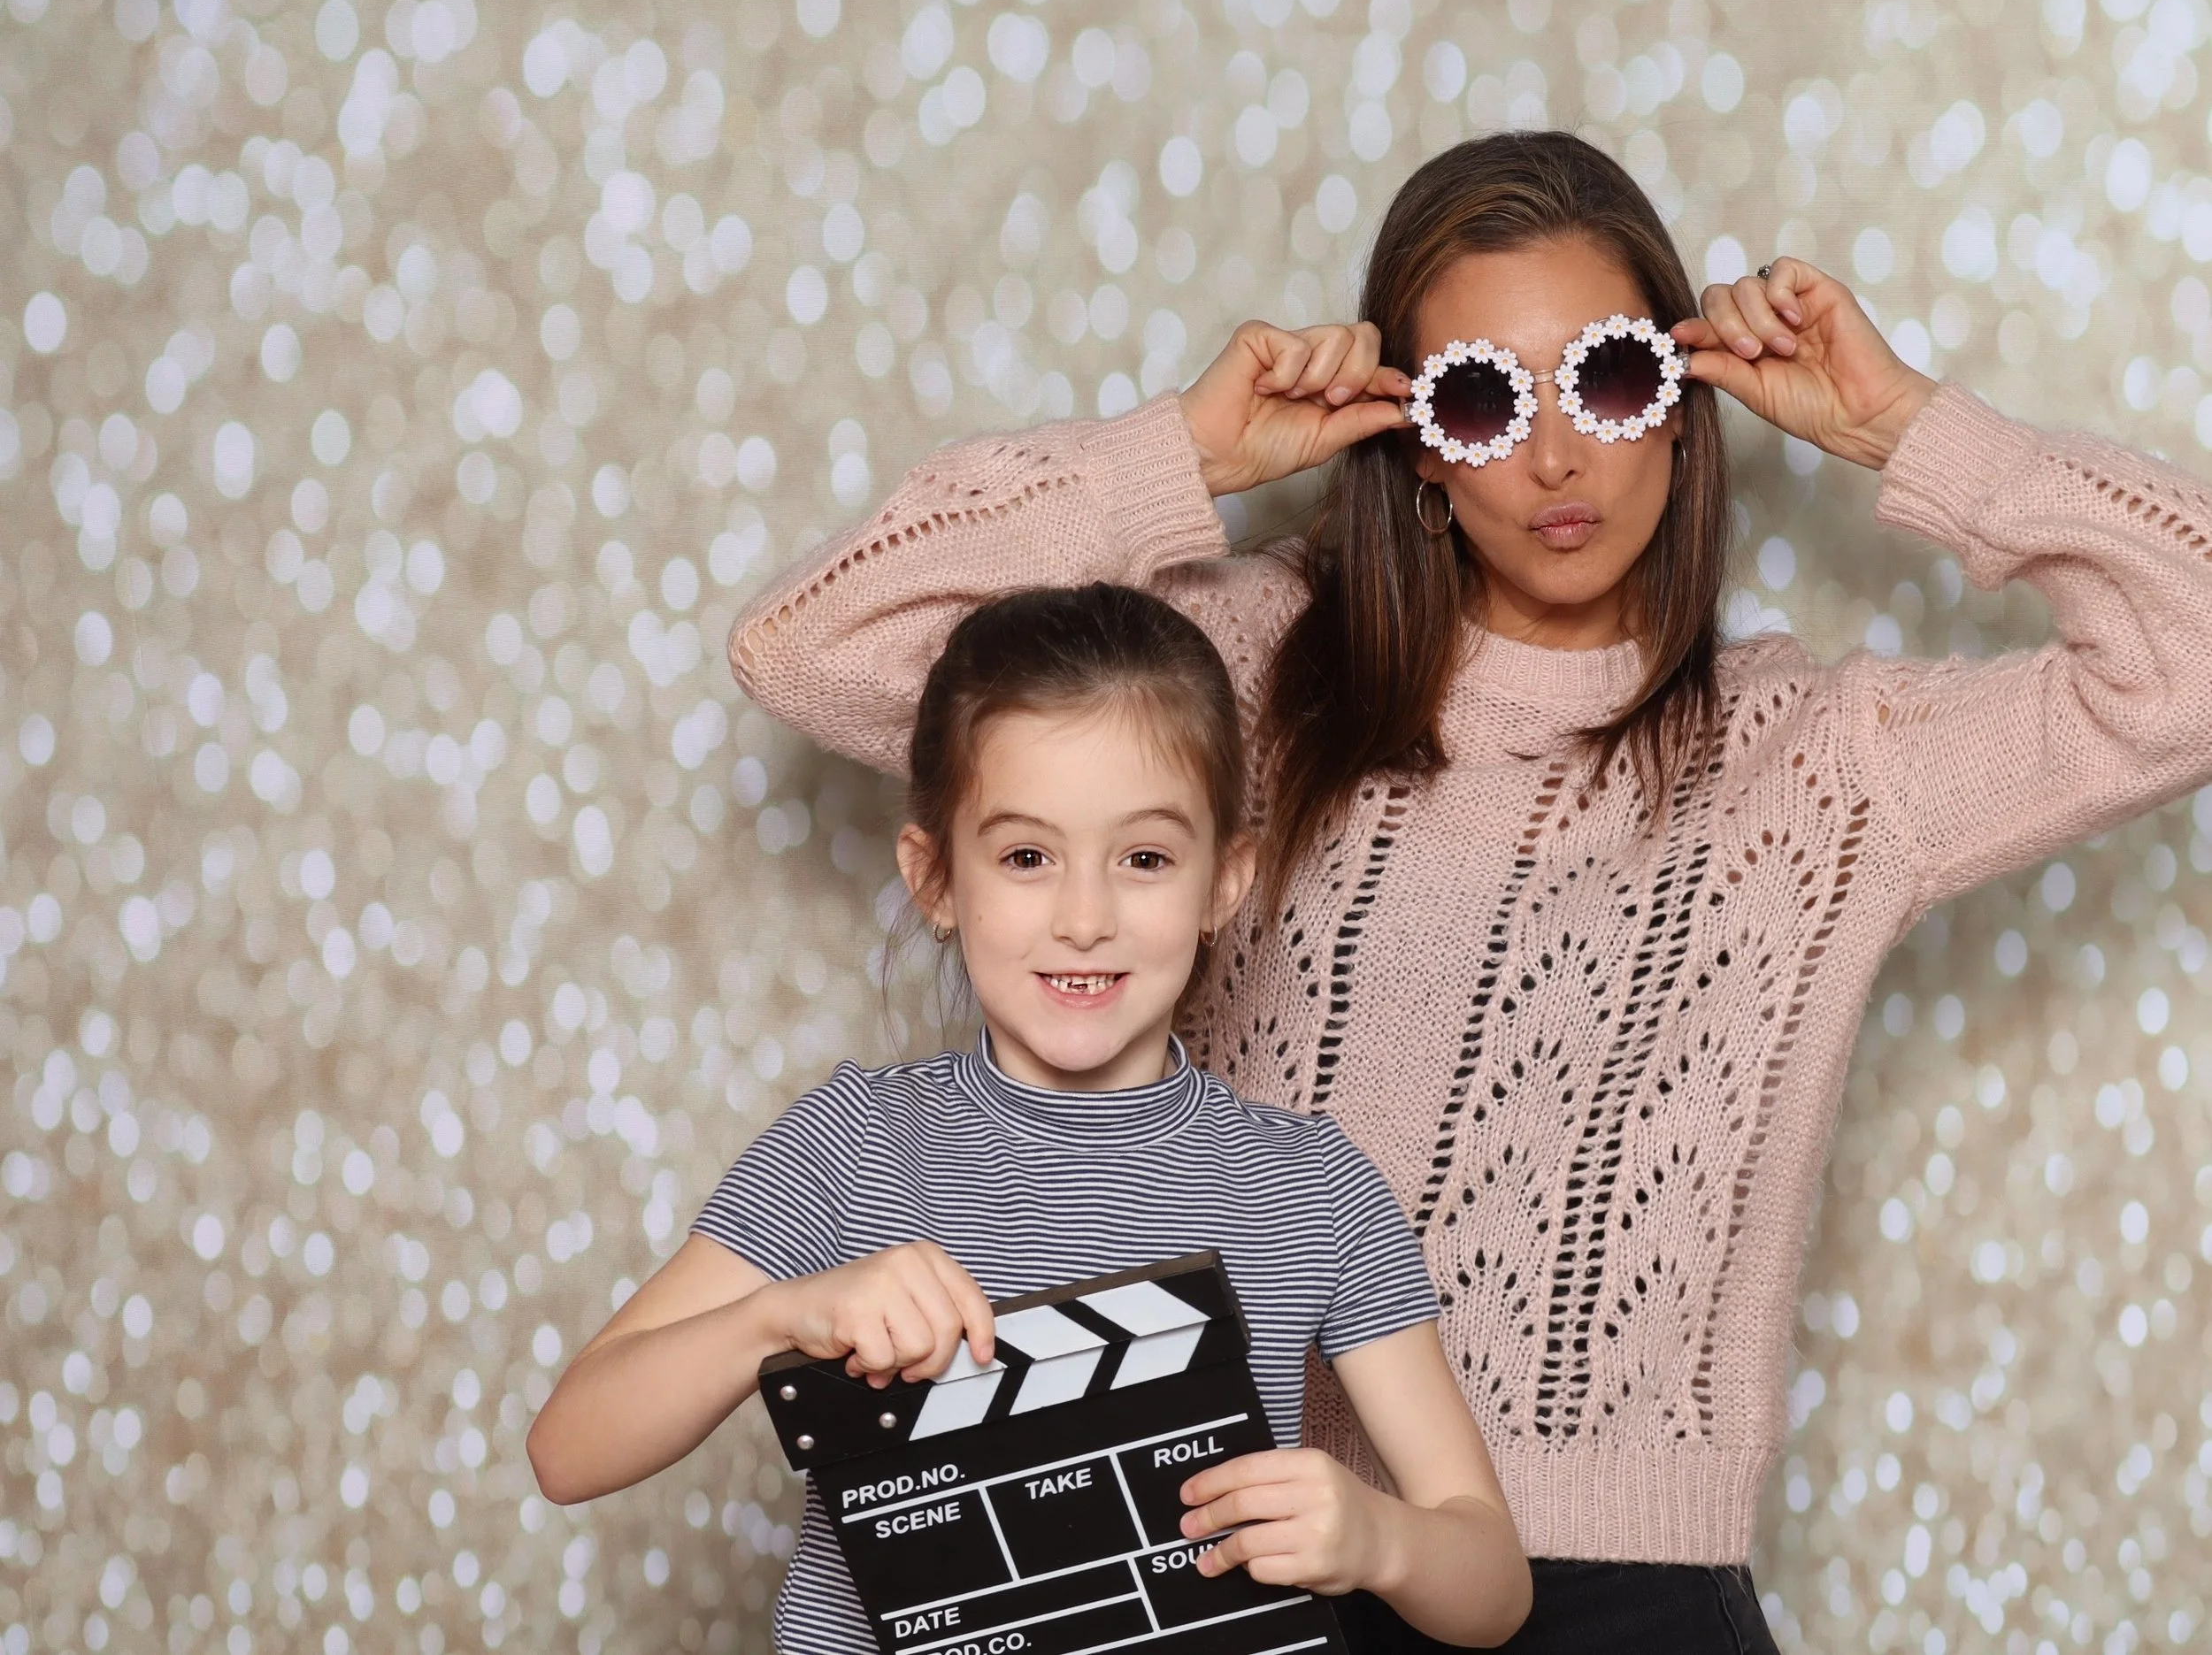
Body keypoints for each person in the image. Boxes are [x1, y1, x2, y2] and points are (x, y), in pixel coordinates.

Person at [723, 130, 2212, 1651]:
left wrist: (1908, 428)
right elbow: (816, 649)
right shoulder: (1241, 681)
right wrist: (1182, 457)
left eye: (1614, 379)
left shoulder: (1830, 767)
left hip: (1631, 1598)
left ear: (1687, 410)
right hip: (1235, 1555)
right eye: (1486, 398)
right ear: (1420, 446)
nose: (1557, 457)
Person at [526, 583, 1533, 1651]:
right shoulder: (857, 1145)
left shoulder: (1309, 1186)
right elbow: (569, 1445)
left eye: (1143, 857)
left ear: (1222, 880)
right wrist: (778, 1320)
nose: (1085, 918)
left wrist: (1378, 1538)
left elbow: (1492, 1580)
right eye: (1025, 856)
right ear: (936, 877)